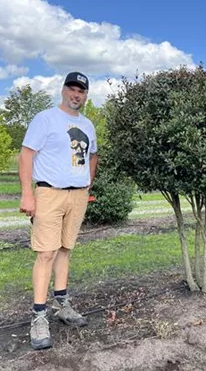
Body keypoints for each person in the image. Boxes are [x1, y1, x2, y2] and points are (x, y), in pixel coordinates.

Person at [18, 72, 98, 350]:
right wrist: (28, 193)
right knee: (46, 253)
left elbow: (93, 156)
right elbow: (26, 154)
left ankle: (62, 304)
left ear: (86, 95)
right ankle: (39, 315)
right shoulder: (45, 119)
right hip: (48, 193)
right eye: (72, 88)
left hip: (77, 196)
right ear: (63, 90)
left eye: (81, 91)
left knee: (65, 249)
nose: (76, 94)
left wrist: (85, 185)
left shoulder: (88, 125)